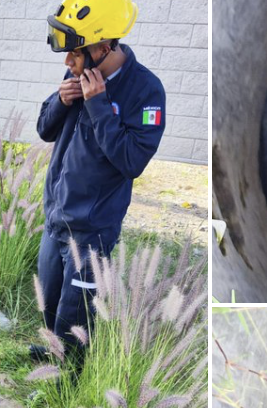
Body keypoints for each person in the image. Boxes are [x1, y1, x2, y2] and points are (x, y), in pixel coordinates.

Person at [30, 0, 166, 361]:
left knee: (75, 316)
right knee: (50, 299)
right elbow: (45, 130)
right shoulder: (75, 75)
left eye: (74, 54)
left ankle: (69, 384)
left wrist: (99, 105)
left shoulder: (147, 92)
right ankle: (52, 354)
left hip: (91, 232)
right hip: (56, 219)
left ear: (103, 48)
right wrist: (61, 100)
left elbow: (132, 161)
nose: (67, 63)